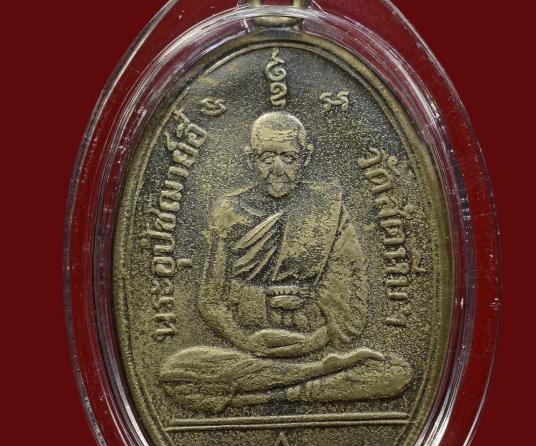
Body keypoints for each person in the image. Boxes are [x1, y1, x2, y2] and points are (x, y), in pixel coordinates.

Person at [160, 112, 411, 412]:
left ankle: (269, 392)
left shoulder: (328, 206)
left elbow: (351, 299)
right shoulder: (229, 210)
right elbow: (209, 300)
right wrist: (248, 338)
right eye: (267, 158)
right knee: (177, 371)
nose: (277, 169)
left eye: (289, 157)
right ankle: (307, 383)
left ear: (306, 157)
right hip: (247, 349)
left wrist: (313, 336)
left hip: (315, 345)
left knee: (396, 374)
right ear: (250, 159)